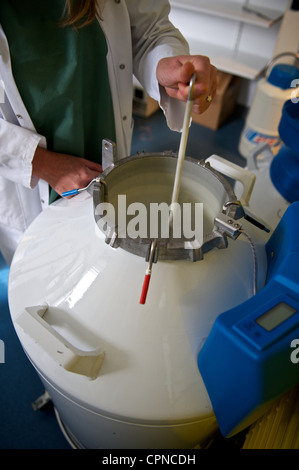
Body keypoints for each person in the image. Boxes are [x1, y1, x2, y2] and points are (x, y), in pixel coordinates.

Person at [0, 0, 217, 265]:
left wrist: (165, 64)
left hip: (101, 123)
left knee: (106, 256)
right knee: (44, 273)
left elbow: (149, 29)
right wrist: (39, 162)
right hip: (23, 167)